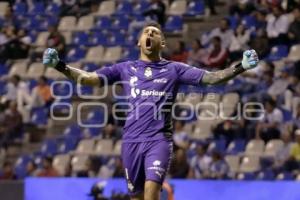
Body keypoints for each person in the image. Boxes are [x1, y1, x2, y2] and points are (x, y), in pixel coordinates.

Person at [43, 21, 259, 200]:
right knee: (137, 197)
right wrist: (61, 66)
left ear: (162, 42)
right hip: (130, 141)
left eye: (155, 33)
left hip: (158, 141)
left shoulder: (174, 69)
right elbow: (90, 79)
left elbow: (211, 79)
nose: (150, 34)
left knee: (151, 190)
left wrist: (240, 66)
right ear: (139, 42)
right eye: (146, 32)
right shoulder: (124, 69)